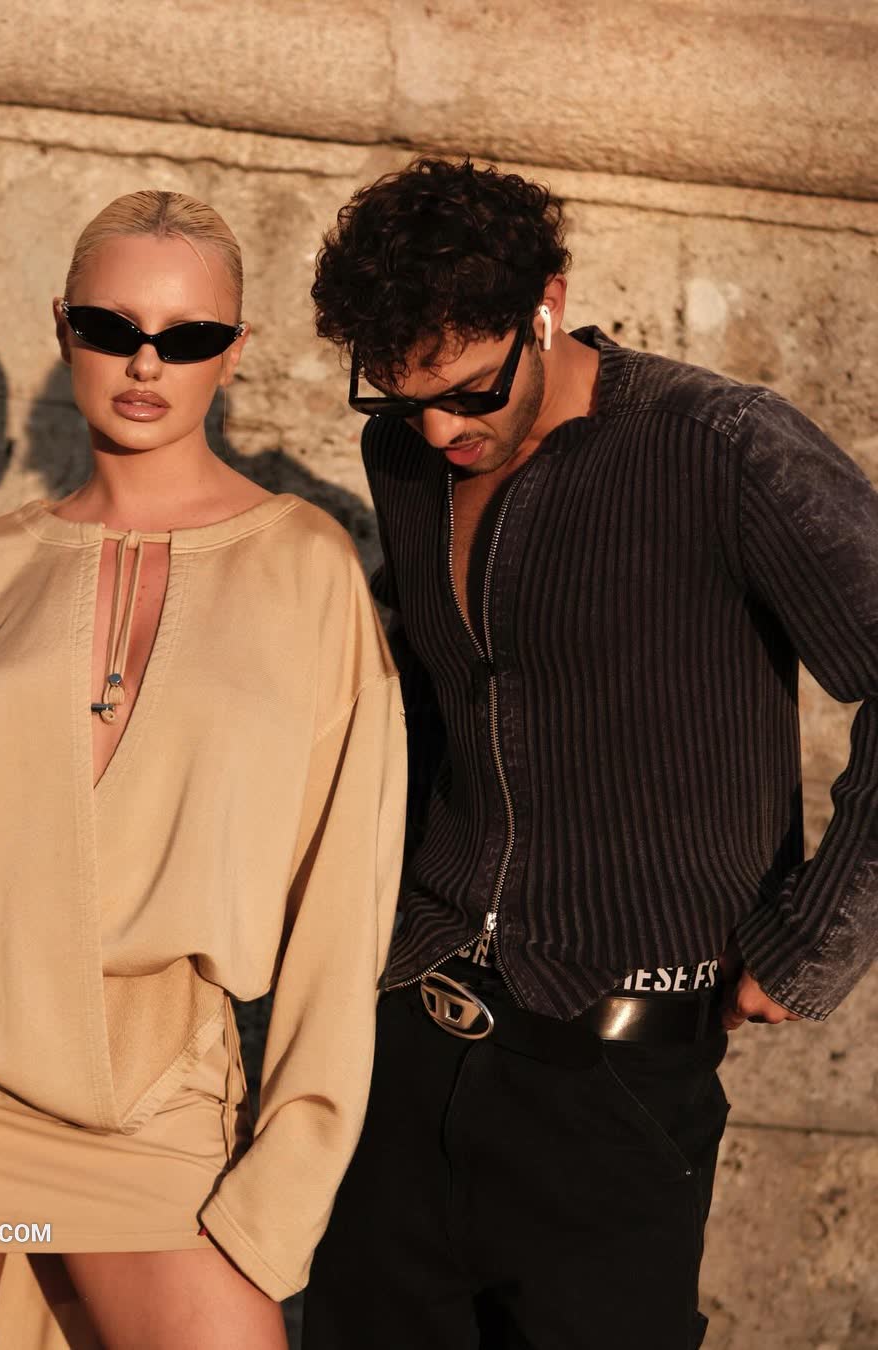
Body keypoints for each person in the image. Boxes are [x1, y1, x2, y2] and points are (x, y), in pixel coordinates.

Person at [0, 189, 406, 1350]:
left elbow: (345, 897)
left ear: (233, 351)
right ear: (62, 327)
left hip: (154, 1084)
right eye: (110, 326)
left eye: (186, 335)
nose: (145, 361)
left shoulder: (308, 569)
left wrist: (295, 1161)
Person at [302, 156, 878, 1350]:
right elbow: (433, 699)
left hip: (616, 1076)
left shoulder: (719, 445)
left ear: (547, 305)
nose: (439, 430)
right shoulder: (405, 456)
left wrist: (814, 940)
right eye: (400, 401)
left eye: (468, 390)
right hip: (406, 1043)